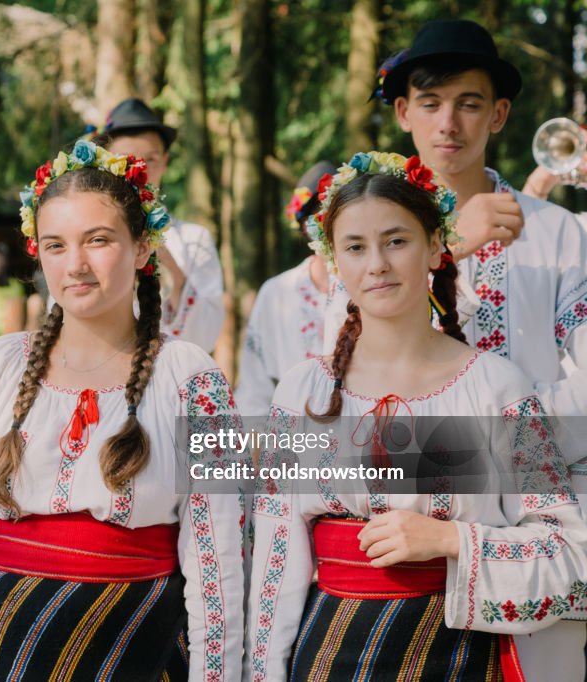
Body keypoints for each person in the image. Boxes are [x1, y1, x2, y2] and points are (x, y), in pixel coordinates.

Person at [0, 138, 245, 681]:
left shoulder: (196, 378)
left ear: (143, 247)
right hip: (5, 644)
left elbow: (219, 568)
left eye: (98, 240)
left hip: (134, 641)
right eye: (55, 245)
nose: (75, 265)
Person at [246, 152, 587, 681]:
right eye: (355, 248)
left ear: (435, 247)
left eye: (396, 241)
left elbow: (570, 559)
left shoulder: (498, 388)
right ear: (335, 262)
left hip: (458, 658)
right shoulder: (303, 392)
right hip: (329, 655)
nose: (376, 264)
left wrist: (450, 541)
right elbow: (275, 561)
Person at [371, 19, 587, 527]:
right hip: (407, 499)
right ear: (404, 112)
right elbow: (350, 350)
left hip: (533, 497)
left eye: (469, 104)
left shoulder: (555, 230)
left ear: (498, 115)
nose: (448, 122)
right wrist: (449, 247)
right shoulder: (369, 231)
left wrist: (507, 441)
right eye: (430, 102)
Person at [96, 97, 225, 354]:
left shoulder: (193, 238)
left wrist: (168, 267)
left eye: (150, 159)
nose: (139, 170)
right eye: (125, 160)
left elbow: (207, 336)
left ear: (165, 161)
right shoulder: (85, 239)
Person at [234, 161, 336, 418]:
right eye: (316, 214)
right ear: (302, 224)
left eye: (336, 210)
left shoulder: (377, 287)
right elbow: (254, 387)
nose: (327, 223)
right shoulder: (277, 292)